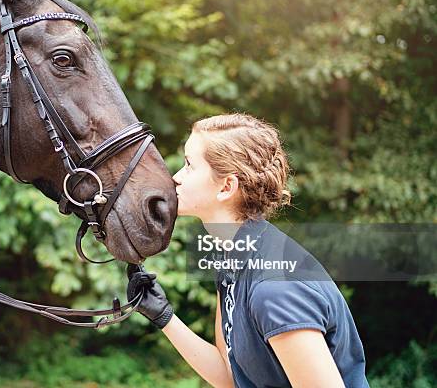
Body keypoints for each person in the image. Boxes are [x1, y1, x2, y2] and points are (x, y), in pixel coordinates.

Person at [127, 114, 369, 387]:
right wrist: (164, 316)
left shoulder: (275, 289)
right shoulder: (233, 257)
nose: (176, 178)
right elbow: (231, 376)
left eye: (189, 166)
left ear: (227, 187)